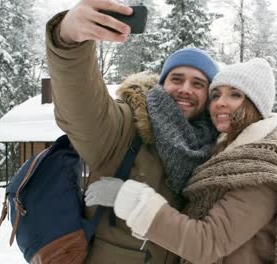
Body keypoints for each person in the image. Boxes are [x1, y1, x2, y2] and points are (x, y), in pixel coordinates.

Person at [85, 58, 277, 264]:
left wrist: (128, 197)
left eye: (235, 95)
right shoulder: (221, 154)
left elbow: (205, 243)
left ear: (256, 105)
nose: (220, 103)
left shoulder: (261, 170)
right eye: (216, 95)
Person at [45, 0, 219, 263]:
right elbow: (81, 107)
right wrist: (68, 41)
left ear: (208, 96)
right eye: (176, 79)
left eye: (198, 84)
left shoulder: (215, 149)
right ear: (162, 84)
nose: (185, 89)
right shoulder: (127, 126)